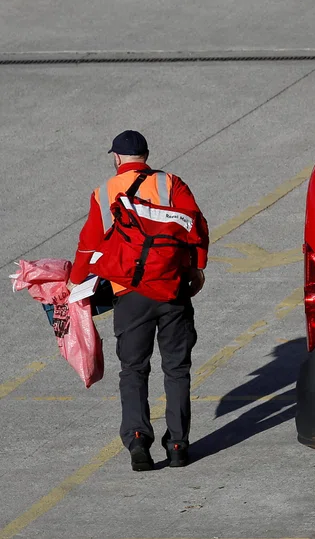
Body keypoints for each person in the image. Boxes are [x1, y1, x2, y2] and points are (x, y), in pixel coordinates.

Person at [67, 130, 209, 471]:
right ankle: (178, 445)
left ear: (117, 158)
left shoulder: (104, 193)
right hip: (173, 289)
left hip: (129, 294)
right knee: (177, 368)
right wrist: (196, 267)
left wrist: (74, 282)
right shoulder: (170, 183)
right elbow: (197, 226)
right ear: (146, 155)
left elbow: (88, 244)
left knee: (133, 369)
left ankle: (137, 441)